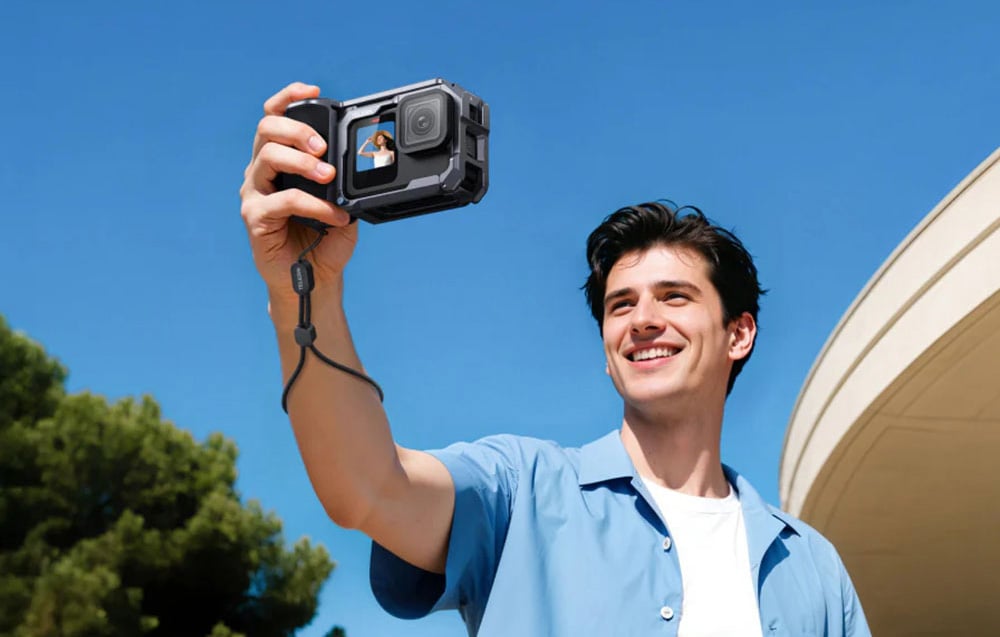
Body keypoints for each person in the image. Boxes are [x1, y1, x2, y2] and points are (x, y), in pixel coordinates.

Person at [239, 82, 871, 637]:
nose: (643, 318)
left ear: (739, 334)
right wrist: (305, 288)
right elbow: (367, 490)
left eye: (674, 297)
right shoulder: (519, 490)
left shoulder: (812, 567)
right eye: (621, 306)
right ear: (608, 353)